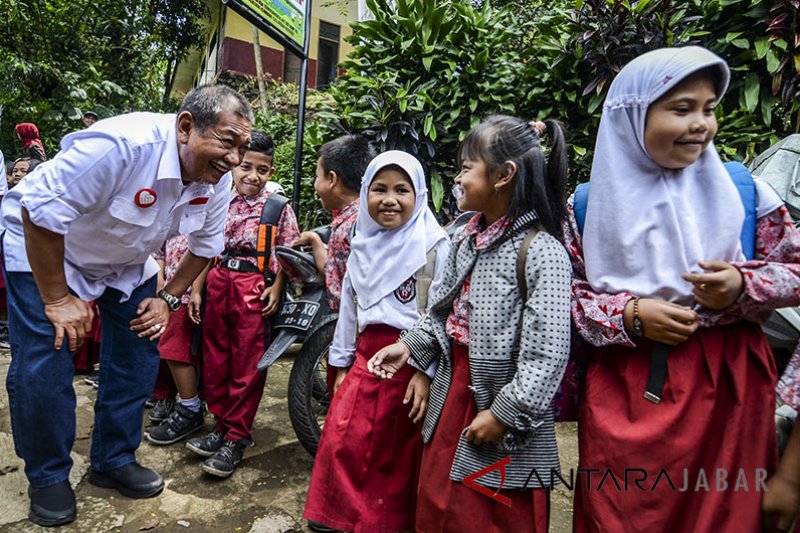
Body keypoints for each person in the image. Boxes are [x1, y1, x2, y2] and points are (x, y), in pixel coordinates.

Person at [562, 47, 800, 532]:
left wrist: (742, 284)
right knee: (623, 514)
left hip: (728, 391)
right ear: (631, 116)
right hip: (626, 395)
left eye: (709, 109)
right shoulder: (589, 207)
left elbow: (795, 269)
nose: (700, 124)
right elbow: (565, 298)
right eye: (681, 109)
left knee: (726, 516)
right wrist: (628, 314)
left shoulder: (745, 194)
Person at [2, 84, 253, 527]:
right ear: (186, 126)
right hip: (44, 247)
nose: (234, 159)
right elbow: (38, 209)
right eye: (227, 142)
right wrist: (58, 298)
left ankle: (113, 459)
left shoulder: (215, 181)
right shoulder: (122, 146)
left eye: (243, 148)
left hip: (125, 262)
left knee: (139, 351)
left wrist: (168, 298)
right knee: (46, 360)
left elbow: (205, 244)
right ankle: (48, 475)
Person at [368, 118, 572, 533]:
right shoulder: (465, 238)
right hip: (453, 392)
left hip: (497, 404)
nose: (457, 178)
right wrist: (410, 346)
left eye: (465, 168)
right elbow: (441, 314)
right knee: (438, 503)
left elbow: (547, 354)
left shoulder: (542, 252)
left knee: (488, 511)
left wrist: (505, 413)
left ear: (503, 175)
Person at [304, 150, 450, 532]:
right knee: (342, 440)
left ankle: (381, 523)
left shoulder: (434, 245)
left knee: (393, 456)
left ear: (419, 195)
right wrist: (340, 365)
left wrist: (425, 370)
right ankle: (339, 515)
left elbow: (441, 313)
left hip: (409, 366)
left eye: (402, 189)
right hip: (364, 363)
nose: (390, 199)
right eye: (379, 189)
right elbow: (349, 314)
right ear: (365, 193)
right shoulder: (362, 245)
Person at [184, 130, 300, 478]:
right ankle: (219, 426)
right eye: (246, 166)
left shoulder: (277, 207)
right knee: (215, 357)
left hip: (254, 287)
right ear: (235, 165)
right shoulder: (220, 200)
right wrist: (197, 290)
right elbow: (205, 249)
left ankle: (236, 435)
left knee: (247, 364)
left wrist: (277, 287)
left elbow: (289, 251)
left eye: (262, 170)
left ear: (271, 172)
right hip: (218, 281)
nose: (252, 176)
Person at [293, 134, 375, 311]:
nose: (316, 184)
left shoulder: (346, 226)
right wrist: (315, 240)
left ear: (332, 179)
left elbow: (334, 279)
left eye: (317, 176)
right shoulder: (370, 213)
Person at [144, 234, 208, 444]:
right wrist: (160, 281)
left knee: (177, 350)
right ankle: (167, 395)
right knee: (160, 344)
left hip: (188, 293)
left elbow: (207, 252)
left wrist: (196, 290)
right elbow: (159, 250)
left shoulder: (207, 213)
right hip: (166, 290)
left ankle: (191, 407)